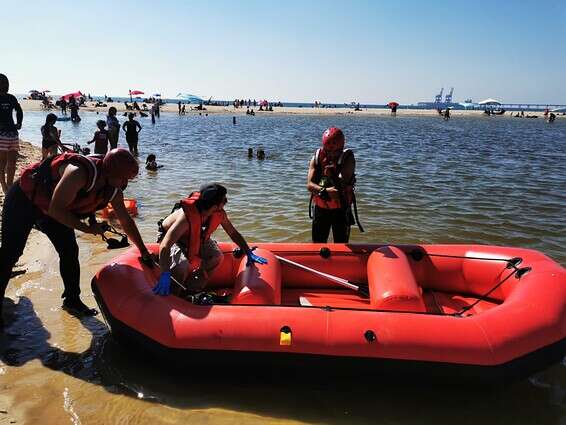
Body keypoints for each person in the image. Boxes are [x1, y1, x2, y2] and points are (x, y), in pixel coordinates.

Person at [0, 149, 154, 331]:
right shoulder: (78, 173)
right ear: (111, 173)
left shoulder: (112, 189)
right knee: (11, 253)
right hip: (25, 200)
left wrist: (143, 251)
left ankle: (72, 300)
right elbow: (57, 209)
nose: (125, 184)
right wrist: (88, 229)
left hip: (51, 210)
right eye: (124, 178)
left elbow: (126, 221)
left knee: (69, 251)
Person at [153, 183, 267, 296]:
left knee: (217, 256)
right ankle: (172, 294)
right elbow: (165, 245)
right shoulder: (185, 217)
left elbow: (232, 232)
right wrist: (165, 273)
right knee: (182, 265)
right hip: (176, 239)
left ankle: (192, 289)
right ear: (214, 206)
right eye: (223, 200)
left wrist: (247, 251)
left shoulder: (218, 213)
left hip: (196, 237)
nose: (226, 201)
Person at [307, 127, 362, 243]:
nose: (331, 154)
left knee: (341, 244)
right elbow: (310, 185)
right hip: (321, 210)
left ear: (341, 147)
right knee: (317, 244)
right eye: (328, 151)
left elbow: (339, 188)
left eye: (335, 151)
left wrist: (332, 175)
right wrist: (324, 191)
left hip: (341, 210)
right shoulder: (317, 158)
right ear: (324, 147)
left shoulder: (348, 159)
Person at [0, 74, 23, 194]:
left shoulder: (11, 98)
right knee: (2, 162)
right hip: (1, 134)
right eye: (2, 83)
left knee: (12, 162)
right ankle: (3, 184)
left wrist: (19, 123)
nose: (5, 85)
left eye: (6, 83)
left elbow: (19, 110)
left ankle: (9, 184)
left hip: (13, 133)